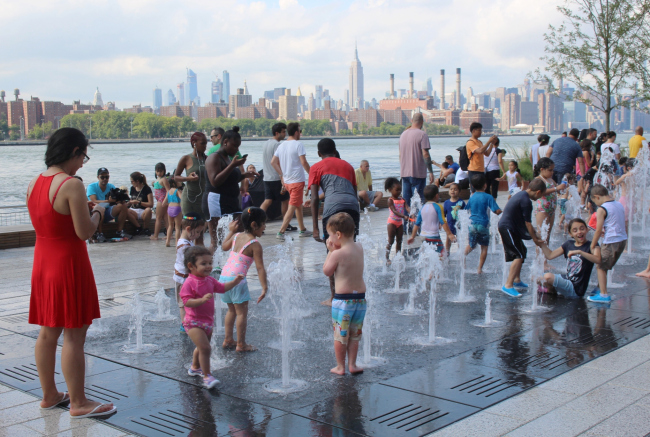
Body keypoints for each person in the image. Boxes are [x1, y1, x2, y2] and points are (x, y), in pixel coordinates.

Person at [27, 127, 116, 418]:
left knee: (47, 332)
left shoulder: (34, 183)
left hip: (43, 262)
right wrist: (99, 212)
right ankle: (78, 403)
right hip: (68, 263)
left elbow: (52, 221)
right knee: (75, 334)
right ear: (74, 152)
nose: (82, 163)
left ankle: (49, 395)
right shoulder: (71, 184)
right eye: (83, 157)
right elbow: (83, 232)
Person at [181, 245, 243, 389]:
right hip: (193, 322)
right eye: (204, 264)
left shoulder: (209, 280)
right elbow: (186, 301)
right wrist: (201, 300)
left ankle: (195, 367)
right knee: (206, 348)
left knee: (201, 347)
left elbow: (221, 288)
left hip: (207, 322)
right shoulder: (189, 283)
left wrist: (235, 282)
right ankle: (207, 376)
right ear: (191, 266)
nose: (208, 266)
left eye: (210, 263)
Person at [309, 138, 361, 305]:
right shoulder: (348, 166)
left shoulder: (316, 167)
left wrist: (315, 227)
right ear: (335, 150)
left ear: (319, 154)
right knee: (350, 248)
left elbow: (315, 198)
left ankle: (334, 297)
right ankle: (353, 292)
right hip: (352, 208)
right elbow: (355, 193)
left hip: (332, 209)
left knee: (332, 252)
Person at [322, 212, 366, 376]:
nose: (329, 239)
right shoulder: (359, 247)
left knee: (340, 335)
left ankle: (340, 366)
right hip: (360, 301)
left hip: (343, 301)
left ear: (338, 235)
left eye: (330, 236)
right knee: (355, 335)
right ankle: (353, 365)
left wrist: (330, 251)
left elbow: (327, 271)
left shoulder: (337, 254)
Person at [219, 207, 268, 352]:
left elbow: (223, 246)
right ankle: (241, 344)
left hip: (224, 278)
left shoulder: (236, 236)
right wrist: (264, 287)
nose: (265, 226)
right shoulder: (255, 244)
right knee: (241, 313)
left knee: (231, 311)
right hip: (237, 280)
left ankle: (228, 339)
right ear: (254, 225)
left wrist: (231, 231)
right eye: (263, 223)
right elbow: (260, 268)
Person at [205, 127, 258, 254]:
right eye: (234, 146)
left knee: (238, 230)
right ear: (225, 142)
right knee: (217, 238)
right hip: (217, 200)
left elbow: (230, 178)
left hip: (232, 200)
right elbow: (215, 181)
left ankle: (233, 262)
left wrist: (245, 175)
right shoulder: (214, 158)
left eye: (238, 146)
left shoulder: (228, 158)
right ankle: (213, 266)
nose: (237, 150)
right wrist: (233, 165)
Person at [498, 178, 547, 297]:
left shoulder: (521, 195)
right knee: (518, 255)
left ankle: (517, 280)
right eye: (541, 195)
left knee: (522, 251)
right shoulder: (526, 201)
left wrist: (535, 233)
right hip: (507, 228)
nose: (539, 198)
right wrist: (535, 239)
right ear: (538, 192)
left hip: (510, 227)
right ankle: (508, 285)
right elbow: (528, 223)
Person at [539, 218, 601, 298]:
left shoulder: (592, 245)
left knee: (548, 277)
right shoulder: (568, 244)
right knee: (534, 276)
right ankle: (551, 289)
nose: (579, 232)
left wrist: (580, 252)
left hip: (576, 288)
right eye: (575, 230)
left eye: (582, 229)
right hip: (567, 279)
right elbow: (550, 255)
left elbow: (598, 259)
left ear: (586, 230)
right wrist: (541, 244)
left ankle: (550, 288)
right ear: (570, 234)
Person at [272, 122, 312, 240]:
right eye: (300, 131)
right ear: (296, 132)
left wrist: (282, 176)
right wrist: (312, 174)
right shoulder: (298, 145)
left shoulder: (281, 145)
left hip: (288, 182)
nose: (301, 133)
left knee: (298, 205)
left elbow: (273, 162)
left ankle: (303, 229)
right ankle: (281, 231)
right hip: (297, 181)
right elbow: (303, 162)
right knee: (293, 206)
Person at [588, 184, 628, 303]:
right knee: (605, 265)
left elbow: (599, 229)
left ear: (597, 197)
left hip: (611, 241)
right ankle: (600, 287)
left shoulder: (602, 209)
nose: (596, 204)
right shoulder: (618, 204)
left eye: (594, 201)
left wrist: (592, 244)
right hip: (622, 240)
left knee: (600, 265)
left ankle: (604, 295)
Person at [173, 214, 206, 330]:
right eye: (197, 232)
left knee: (191, 302)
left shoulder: (187, 242)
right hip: (182, 279)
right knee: (184, 304)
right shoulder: (184, 246)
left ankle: (191, 321)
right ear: (188, 229)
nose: (198, 235)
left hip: (186, 279)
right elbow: (192, 262)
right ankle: (185, 325)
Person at [173, 132, 207, 246]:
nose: (205, 146)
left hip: (202, 200)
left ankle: (199, 257)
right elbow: (175, 176)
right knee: (189, 230)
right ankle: (183, 253)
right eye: (202, 143)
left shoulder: (207, 159)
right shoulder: (186, 158)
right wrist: (188, 178)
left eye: (206, 144)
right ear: (194, 143)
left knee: (200, 231)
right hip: (189, 199)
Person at [464, 174, 502, 274]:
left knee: (471, 245)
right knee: (484, 248)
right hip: (483, 225)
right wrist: (502, 211)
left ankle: (463, 256)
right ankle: (479, 269)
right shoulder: (488, 197)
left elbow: (466, 209)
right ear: (485, 185)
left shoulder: (472, 197)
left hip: (472, 225)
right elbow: (496, 211)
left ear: (472, 186)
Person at [260, 123, 293, 227]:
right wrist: (282, 176)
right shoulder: (278, 145)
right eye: (283, 132)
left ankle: (257, 222)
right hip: (276, 178)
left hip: (267, 178)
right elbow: (278, 162)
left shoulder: (266, 143)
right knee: (285, 200)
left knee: (267, 200)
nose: (285, 134)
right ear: (277, 133)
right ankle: (286, 224)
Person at [398, 113, 434, 207]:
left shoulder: (403, 134)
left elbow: (400, 155)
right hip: (418, 174)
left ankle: (406, 221)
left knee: (406, 202)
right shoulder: (422, 134)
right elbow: (425, 154)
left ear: (411, 121)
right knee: (418, 202)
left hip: (404, 173)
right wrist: (430, 171)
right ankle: (417, 221)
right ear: (422, 122)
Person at [407, 184, 455, 254]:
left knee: (428, 254)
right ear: (436, 196)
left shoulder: (423, 207)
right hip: (433, 236)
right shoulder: (438, 206)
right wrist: (449, 234)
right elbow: (443, 221)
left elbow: (417, 224)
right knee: (442, 254)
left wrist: (412, 236)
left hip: (423, 236)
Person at [86, 167, 131, 241]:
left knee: (123, 206)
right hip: (96, 213)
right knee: (101, 208)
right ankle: (100, 233)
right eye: (102, 177)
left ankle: (119, 231)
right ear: (98, 177)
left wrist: (121, 200)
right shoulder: (92, 186)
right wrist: (108, 201)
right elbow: (93, 201)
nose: (104, 179)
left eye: (106, 177)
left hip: (108, 211)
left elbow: (115, 201)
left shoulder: (111, 187)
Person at [533, 158, 566, 242]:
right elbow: (538, 193)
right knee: (541, 237)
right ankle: (539, 255)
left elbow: (557, 189)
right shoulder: (538, 180)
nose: (552, 172)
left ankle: (546, 254)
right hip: (542, 209)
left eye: (553, 170)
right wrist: (556, 188)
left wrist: (562, 188)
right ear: (542, 169)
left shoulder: (550, 180)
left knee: (547, 236)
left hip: (551, 210)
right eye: (550, 170)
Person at [465, 122, 498, 193]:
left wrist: (492, 143)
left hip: (481, 170)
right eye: (479, 130)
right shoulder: (470, 142)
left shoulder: (479, 142)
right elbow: (480, 151)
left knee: (482, 189)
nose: (481, 132)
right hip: (473, 169)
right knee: (474, 190)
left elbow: (487, 153)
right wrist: (489, 141)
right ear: (473, 131)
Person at [384, 177, 410, 263]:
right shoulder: (390, 200)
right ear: (390, 190)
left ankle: (397, 257)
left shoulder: (403, 199)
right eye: (397, 190)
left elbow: (407, 208)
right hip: (392, 222)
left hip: (400, 223)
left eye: (400, 190)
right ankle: (386, 257)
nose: (399, 192)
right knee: (391, 241)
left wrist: (412, 213)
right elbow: (394, 211)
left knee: (399, 240)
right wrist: (403, 216)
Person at [128, 171, 153, 236]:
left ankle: (146, 228)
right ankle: (138, 227)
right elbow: (131, 200)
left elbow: (151, 204)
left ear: (137, 181)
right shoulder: (132, 188)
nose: (131, 183)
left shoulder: (147, 189)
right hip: (134, 210)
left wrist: (139, 202)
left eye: (132, 181)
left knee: (148, 210)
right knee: (125, 210)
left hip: (143, 210)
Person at [443, 183, 466, 255]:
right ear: (448, 191)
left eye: (455, 189)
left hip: (459, 225)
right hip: (450, 225)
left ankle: (461, 254)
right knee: (448, 239)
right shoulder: (446, 202)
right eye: (451, 189)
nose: (453, 191)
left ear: (459, 191)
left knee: (460, 240)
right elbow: (443, 214)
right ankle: (447, 253)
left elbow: (465, 213)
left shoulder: (461, 202)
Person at [151, 163, 170, 241]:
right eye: (157, 171)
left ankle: (156, 235)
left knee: (158, 218)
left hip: (162, 199)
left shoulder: (164, 179)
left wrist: (165, 200)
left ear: (164, 171)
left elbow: (168, 191)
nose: (159, 173)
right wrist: (153, 184)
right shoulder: (158, 179)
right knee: (165, 218)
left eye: (161, 171)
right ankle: (169, 234)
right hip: (160, 199)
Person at [165, 178, 183, 247]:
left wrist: (170, 204)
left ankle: (167, 241)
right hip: (177, 208)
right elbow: (182, 199)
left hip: (169, 208)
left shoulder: (168, 191)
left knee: (170, 226)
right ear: (174, 183)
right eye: (179, 181)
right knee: (177, 227)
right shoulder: (178, 191)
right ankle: (176, 243)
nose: (180, 182)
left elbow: (164, 203)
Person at [577, 140, 593, 207]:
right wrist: (592, 156)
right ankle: (583, 205)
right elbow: (589, 164)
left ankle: (578, 203)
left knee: (579, 190)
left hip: (578, 172)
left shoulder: (578, 152)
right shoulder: (586, 152)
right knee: (585, 190)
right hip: (585, 172)